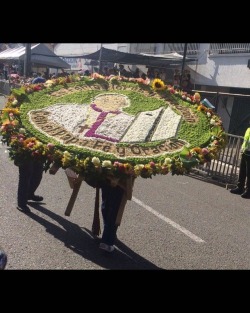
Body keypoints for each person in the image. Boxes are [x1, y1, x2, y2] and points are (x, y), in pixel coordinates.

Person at [99, 176, 135, 253]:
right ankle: (109, 235)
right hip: (108, 175)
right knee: (106, 207)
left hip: (121, 178)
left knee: (113, 210)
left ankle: (107, 241)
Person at [230, 124, 250, 198]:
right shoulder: (248, 129)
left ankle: (248, 191)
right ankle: (240, 188)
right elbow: (246, 141)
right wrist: (242, 150)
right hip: (245, 153)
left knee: (249, 174)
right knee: (242, 171)